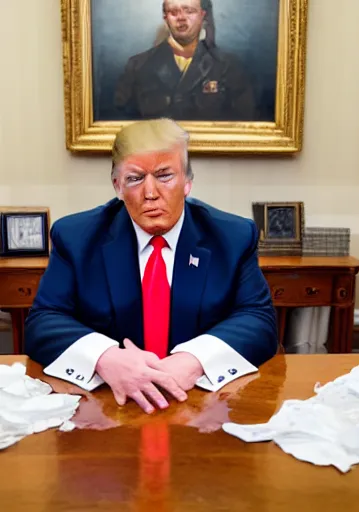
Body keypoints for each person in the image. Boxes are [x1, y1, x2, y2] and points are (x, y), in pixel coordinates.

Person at [25, 118, 278, 414]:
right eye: (135, 178)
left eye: (164, 175)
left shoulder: (232, 236)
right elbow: (43, 321)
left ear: (187, 181)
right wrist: (106, 358)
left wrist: (193, 360)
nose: (150, 193)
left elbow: (259, 321)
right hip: (109, 407)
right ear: (117, 186)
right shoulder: (76, 237)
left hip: (200, 407)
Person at [114, 0, 255, 121]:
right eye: (174, 12)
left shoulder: (227, 65)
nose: (181, 17)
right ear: (165, 17)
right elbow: (121, 122)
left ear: (202, 15)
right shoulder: (138, 65)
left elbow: (244, 121)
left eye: (189, 11)